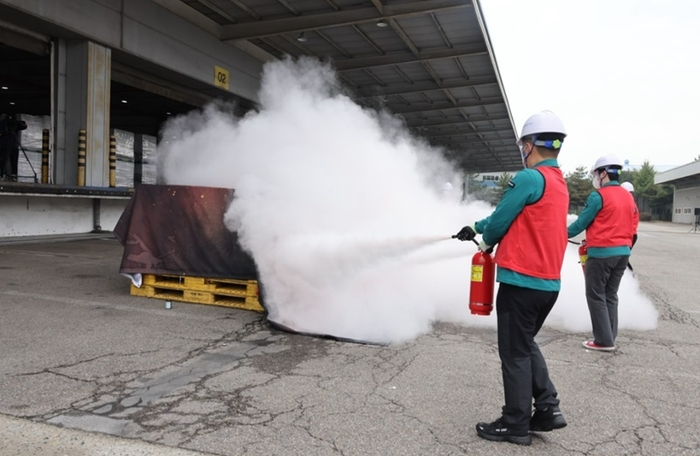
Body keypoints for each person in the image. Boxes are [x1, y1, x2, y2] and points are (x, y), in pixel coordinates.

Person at [454, 110, 569, 446]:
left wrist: (484, 237)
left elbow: (503, 217)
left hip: (521, 282)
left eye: (523, 144)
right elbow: (515, 216)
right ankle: (548, 408)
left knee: (514, 353)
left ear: (529, 144)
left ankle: (515, 423)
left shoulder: (529, 178)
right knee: (525, 345)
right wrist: (476, 227)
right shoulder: (558, 182)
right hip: (547, 285)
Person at [567, 155, 639, 351]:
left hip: (601, 255)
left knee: (596, 295)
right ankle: (610, 336)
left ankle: (603, 341)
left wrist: (560, 233)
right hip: (623, 253)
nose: (595, 177)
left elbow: (581, 223)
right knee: (610, 295)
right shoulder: (627, 196)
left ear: (604, 173)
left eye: (596, 173)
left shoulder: (598, 196)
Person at [0, 113, 28, 181]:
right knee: (5, 160)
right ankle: (5, 174)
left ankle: (9, 175)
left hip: (9, 145)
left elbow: (24, 126)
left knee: (8, 160)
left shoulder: (11, 124)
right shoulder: (5, 124)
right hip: (8, 145)